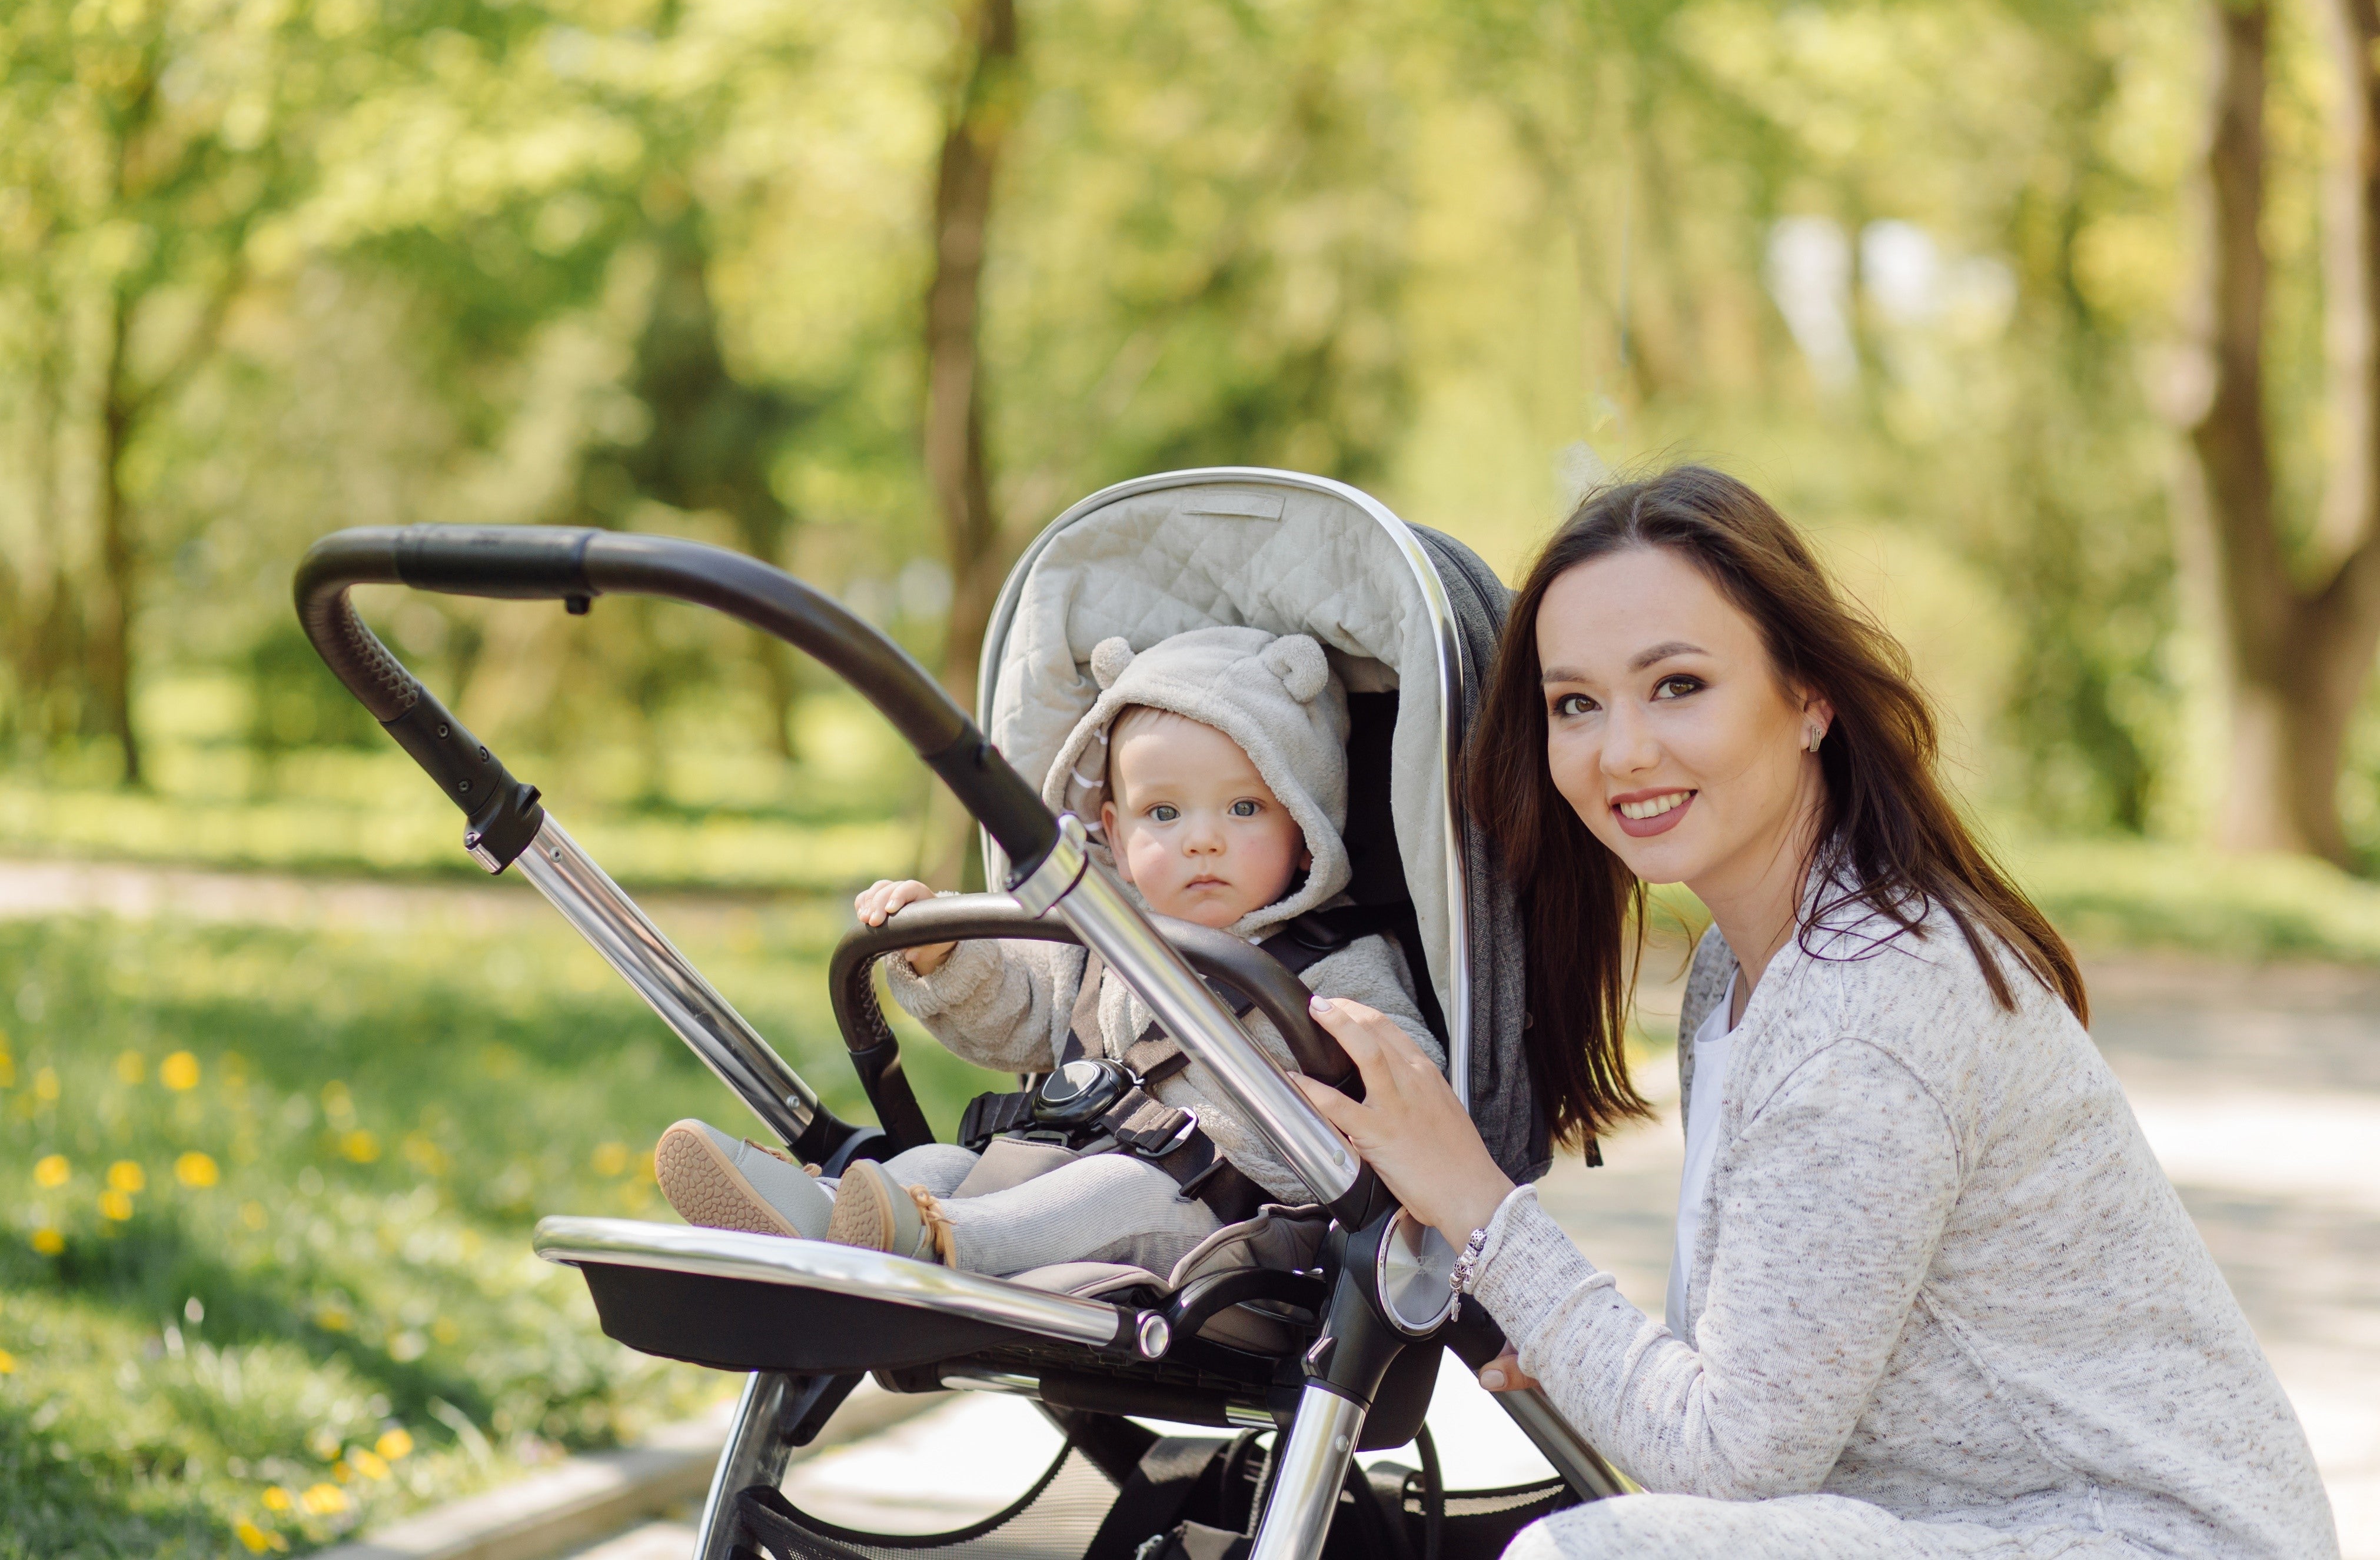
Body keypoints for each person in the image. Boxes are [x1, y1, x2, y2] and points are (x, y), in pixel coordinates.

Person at [1293, 468, 2338, 1559]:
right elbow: (1754, 1407)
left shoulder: (1867, 1014)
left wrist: (1476, 1202)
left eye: (1679, 685)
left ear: (1810, 699)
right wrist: (1580, 1345)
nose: (1623, 751)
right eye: (1576, 704)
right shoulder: (1739, 980)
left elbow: (1731, 1461)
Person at [653, 625, 1438, 1279]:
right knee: (935, 1169)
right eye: (1163, 813)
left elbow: (1415, 1086)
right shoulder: (1100, 945)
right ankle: (821, 1221)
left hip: (1227, 1215)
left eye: (1243, 807)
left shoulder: (1335, 964)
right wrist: (947, 953)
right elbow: (1016, 1012)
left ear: (1305, 831)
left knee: (1108, 1188)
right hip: (1054, 1161)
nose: (1202, 839)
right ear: (1116, 839)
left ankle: (928, 1239)